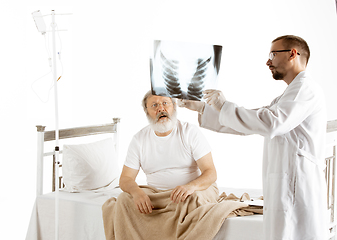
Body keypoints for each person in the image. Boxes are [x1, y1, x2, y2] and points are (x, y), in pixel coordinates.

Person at [179, 35, 328, 240]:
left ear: (293, 54)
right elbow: (251, 123)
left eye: (273, 54)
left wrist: (224, 106)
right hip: (286, 187)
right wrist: (204, 109)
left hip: (297, 189)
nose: (268, 61)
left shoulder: (305, 89)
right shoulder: (287, 96)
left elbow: (271, 122)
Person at [119, 91, 217, 214]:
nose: (161, 108)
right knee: (124, 200)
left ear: (174, 106)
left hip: (192, 192)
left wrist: (190, 187)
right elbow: (125, 178)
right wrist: (137, 193)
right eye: (154, 105)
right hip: (157, 196)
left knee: (192, 201)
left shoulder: (189, 132)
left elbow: (211, 173)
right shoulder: (139, 139)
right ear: (146, 111)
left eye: (165, 103)